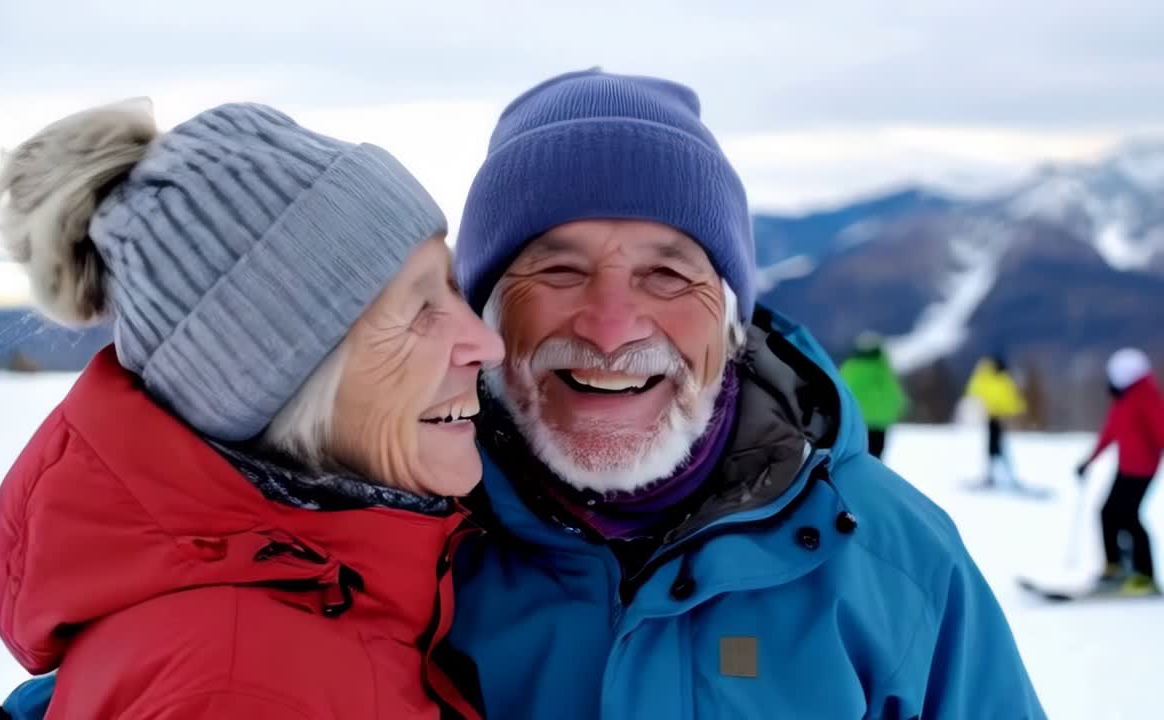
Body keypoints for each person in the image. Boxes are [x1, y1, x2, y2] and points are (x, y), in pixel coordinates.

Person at [443, 69, 1044, 718]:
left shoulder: (891, 557)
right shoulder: (405, 553)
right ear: (486, 315)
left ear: (732, 324)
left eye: (668, 274)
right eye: (559, 269)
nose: (612, 328)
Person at [0, 99, 503, 719]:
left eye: (452, 288)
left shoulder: (304, 611)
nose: (486, 344)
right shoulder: (245, 686)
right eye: (418, 312)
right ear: (287, 384)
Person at [1076, 348, 1164, 596]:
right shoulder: (1123, 399)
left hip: (1143, 470)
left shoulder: (1147, 397)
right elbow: (1110, 433)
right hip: (1125, 468)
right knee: (1107, 513)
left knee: (1129, 517)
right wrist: (1089, 461)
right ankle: (1115, 569)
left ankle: (1145, 577)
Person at [838, 331, 908, 459]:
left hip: (856, 421)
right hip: (879, 422)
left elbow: (840, 392)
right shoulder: (883, 369)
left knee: (857, 456)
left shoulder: (849, 368)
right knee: (876, 455)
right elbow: (894, 394)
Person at [966, 353, 1028, 487]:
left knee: (995, 446)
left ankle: (997, 476)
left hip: (997, 417)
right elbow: (1010, 398)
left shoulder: (991, 378)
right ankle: (1000, 475)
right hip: (995, 417)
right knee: (996, 446)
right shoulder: (994, 378)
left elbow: (1009, 398)